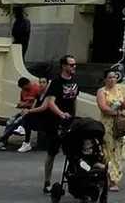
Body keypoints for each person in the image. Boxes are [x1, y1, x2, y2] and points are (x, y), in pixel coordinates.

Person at [25, 55, 79, 195]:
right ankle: (47, 182)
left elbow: (74, 100)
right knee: (52, 152)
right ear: (64, 66)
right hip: (56, 122)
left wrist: (74, 116)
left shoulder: (74, 81)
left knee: (73, 151)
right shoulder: (56, 82)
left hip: (69, 121)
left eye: (75, 64)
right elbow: (50, 103)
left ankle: (73, 179)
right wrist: (61, 114)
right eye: (71, 65)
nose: (74, 67)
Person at [95, 69, 125, 193]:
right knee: (108, 151)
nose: (112, 80)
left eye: (114, 77)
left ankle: (115, 176)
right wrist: (116, 112)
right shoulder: (102, 92)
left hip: (118, 125)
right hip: (107, 125)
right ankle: (111, 178)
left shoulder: (119, 90)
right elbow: (103, 108)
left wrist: (124, 107)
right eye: (109, 77)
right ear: (105, 79)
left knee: (117, 151)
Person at [0, 76, 41, 153]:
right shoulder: (23, 91)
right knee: (10, 121)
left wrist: (27, 104)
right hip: (24, 111)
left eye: (25, 88)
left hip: (32, 113)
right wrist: (22, 104)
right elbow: (22, 102)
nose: (24, 90)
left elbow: (37, 104)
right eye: (22, 89)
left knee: (16, 122)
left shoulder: (36, 89)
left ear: (28, 84)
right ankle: (2, 142)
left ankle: (1, 140)